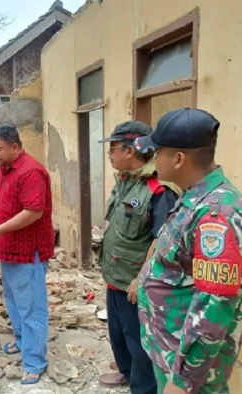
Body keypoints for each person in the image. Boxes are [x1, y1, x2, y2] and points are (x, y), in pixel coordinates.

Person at [134, 108, 242, 394]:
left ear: (179, 158)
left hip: (193, 374)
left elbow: (214, 306)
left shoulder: (216, 214)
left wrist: (182, 381)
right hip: (169, 351)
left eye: (158, 151)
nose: (153, 158)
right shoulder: (192, 197)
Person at [97, 121, 180, 394]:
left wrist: (140, 279)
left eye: (113, 149)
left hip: (134, 284)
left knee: (139, 342)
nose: (110, 154)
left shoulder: (158, 190)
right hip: (115, 278)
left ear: (131, 151)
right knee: (119, 336)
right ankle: (126, 373)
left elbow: (160, 240)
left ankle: (142, 388)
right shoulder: (125, 182)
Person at [0, 123, 54, 385]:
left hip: (28, 251)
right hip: (9, 249)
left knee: (31, 306)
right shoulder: (4, 171)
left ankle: (35, 361)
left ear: (15, 146)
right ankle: (23, 342)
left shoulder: (30, 171)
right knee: (14, 301)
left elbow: (34, 211)